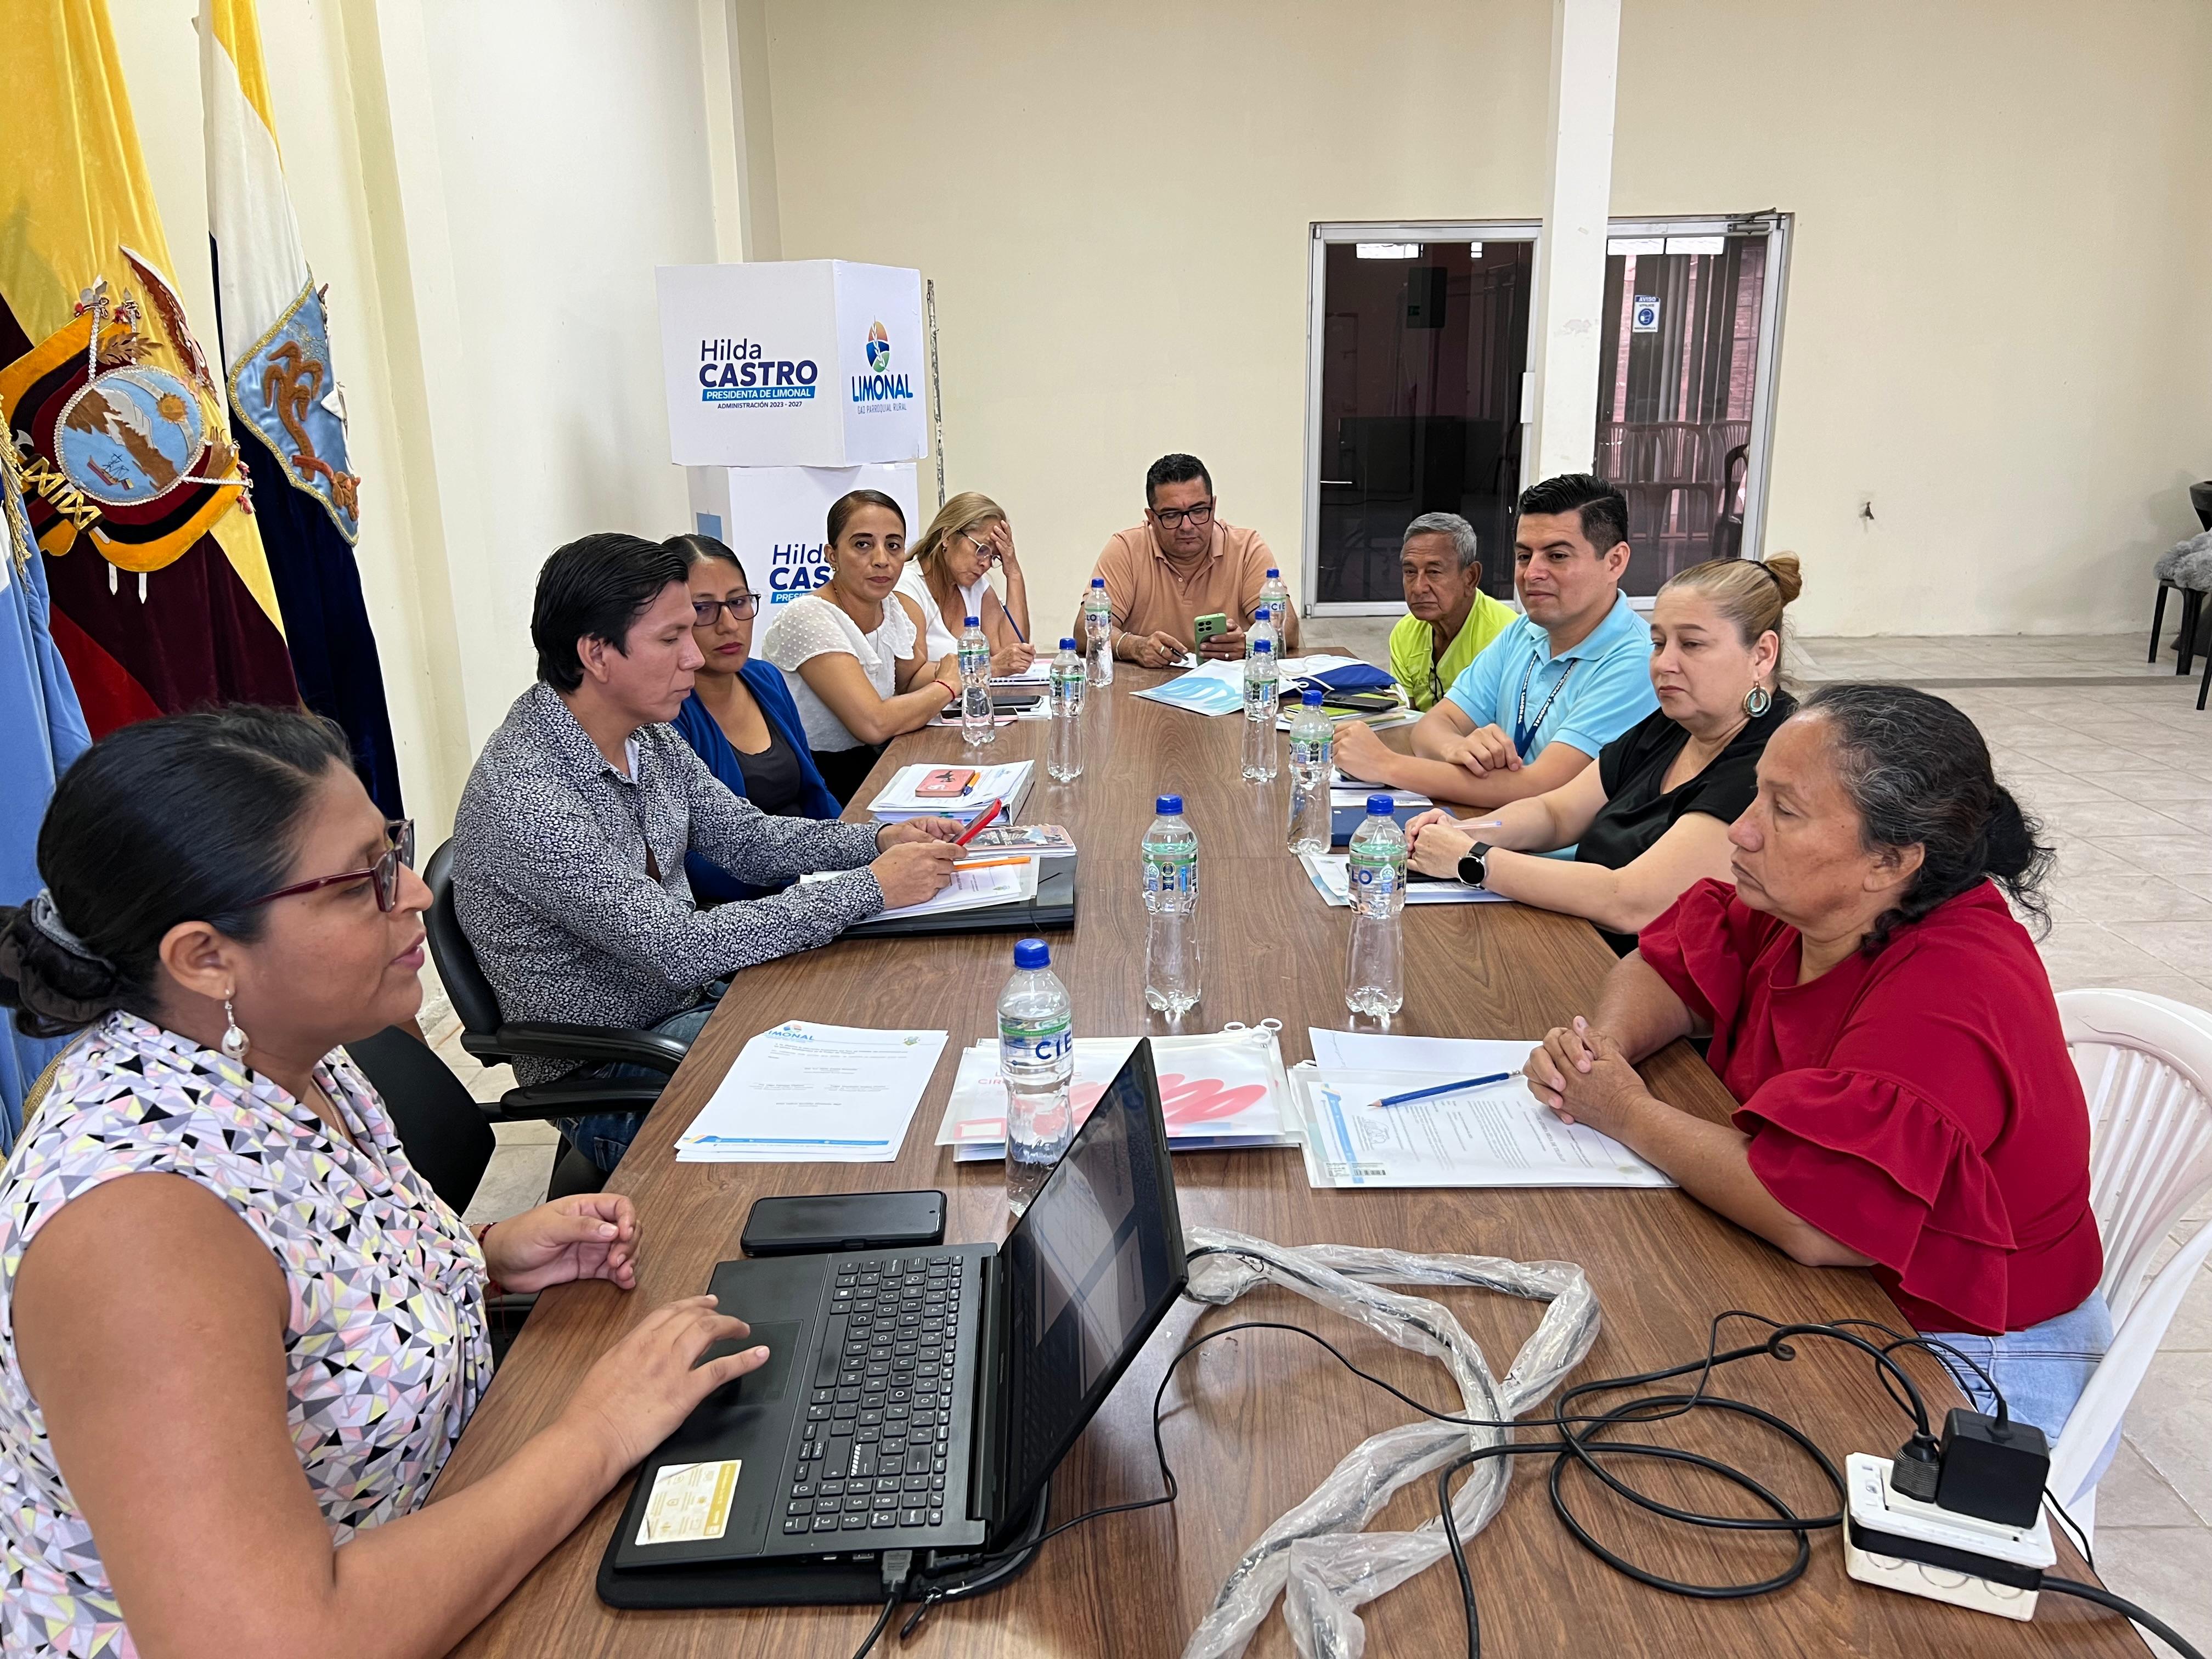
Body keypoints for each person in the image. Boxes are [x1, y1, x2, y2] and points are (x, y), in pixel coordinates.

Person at [0, 707, 776, 1659]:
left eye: (393, 851)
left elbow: (303, 1289)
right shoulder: (133, 1232)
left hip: (447, 1521)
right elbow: (274, 1643)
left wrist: (482, 1258)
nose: (412, 892)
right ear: (205, 957)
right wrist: (601, 1430)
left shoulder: (286, 1055)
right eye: (363, 878)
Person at [1523, 684, 2108, 1442]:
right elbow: (1668, 967)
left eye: (1784, 811)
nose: (1742, 830)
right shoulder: (1817, 906)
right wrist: (1601, 1052)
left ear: (1889, 861)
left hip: (1971, 1348)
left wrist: (1624, 1109)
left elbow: (1818, 1223)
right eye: (1756, 794)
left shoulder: (1948, 992)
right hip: (1848, 1290)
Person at [453, 533, 962, 1170]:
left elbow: (745, 838)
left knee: (892, 1026)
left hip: (689, 1011)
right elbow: (678, 947)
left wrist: (877, 841)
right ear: (597, 654)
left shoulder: (646, 734)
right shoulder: (531, 798)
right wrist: (872, 886)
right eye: (672, 638)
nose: (694, 656)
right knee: (872, 1110)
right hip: (617, 1072)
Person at [1407, 555, 1803, 953]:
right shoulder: (1678, 724)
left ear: (1762, 655)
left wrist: (1472, 858)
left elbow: (1631, 901)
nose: (1664, 664)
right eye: (1659, 644)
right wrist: (1464, 831)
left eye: (1692, 645)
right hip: (1589, 945)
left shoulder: (1771, 762)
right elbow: (1557, 813)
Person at [1337, 473, 1656, 809]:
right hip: (1489, 822)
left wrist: (1385, 765)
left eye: (1557, 556)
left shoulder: (1637, 662)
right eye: (1524, 556)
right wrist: (1456, 748)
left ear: (1615, 561)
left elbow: (1542, 788)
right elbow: (1431, 727)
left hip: (1554, 841)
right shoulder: (1524, 633)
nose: (1532, 573)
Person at [664, 533, 844, 904]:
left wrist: (853, 853)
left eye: (738, 602)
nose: (729, 625)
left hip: (815, 878)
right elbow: (690, 863)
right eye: (703, 609)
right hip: (752, 906)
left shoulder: (765, 678)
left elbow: (816, 793)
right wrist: (810, 879)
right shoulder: (666, 712)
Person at [759, 490, 962, 804]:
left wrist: (959, 668)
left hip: (877, 762)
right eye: (863, 544)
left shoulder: (890, 606)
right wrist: (947, 685)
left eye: (893, 545)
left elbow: (909, 680)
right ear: (832, 555)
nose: (882, 559)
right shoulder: (808, 616)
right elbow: (873, 724)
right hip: (822, 782)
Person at [1080, 452, 1301, 665]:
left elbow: (1288, 630)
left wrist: (1248, 643)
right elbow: (1084, 632)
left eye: (1198, 511)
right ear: (1152, 518)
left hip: (1228, 685)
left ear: (1213, 507)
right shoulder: (1127, 549)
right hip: (1147, 683)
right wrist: (1134, 646)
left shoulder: (1246, 548)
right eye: (1171, 515)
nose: (1187, 526)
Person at [1386, 512, 1517, 711]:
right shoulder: (1405, 632)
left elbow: (1505, 724)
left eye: (1434, 572)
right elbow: (1402, 715)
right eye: (1410, 572)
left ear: (1470, 578)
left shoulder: (1507, 638)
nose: (1418, 588)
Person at [896, 492, 1035, 672]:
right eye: (982, 549)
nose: (986, 564)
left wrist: (1013, 572)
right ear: (947, 536)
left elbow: (1012, 655)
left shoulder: (978, 588)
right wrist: (989, 667)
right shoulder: (907, 586)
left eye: (994, 557)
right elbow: (912, 677)